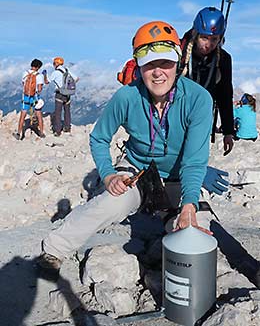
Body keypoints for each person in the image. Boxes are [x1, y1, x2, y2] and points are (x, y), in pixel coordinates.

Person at [37, 21, 213, 276]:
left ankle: (170, 223)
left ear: (178, 63)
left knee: (198, 227)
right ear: (139, 67)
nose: (158, 72)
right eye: (149, 64)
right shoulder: (127, 97)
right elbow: (99, 138)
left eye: (165, 63)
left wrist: (189, 205)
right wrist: (109, 175)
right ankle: (55, 248)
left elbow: (194, 162)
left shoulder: (197, 100)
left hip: (177, 178)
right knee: (111, 204)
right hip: (138, 172)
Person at [180, 6, 234, 156]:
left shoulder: (223, 59)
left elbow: (225, 95)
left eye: (214, 39)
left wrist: (228, 132)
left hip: (202, 118)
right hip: (176, 115)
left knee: (195, 158)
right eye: (204, 38)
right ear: (195, 34)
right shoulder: (180, 53)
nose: (208, 44)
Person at [42, 57, 79, 136]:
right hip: (68, 93)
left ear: (56, 64)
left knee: (58, 113)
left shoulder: (55, 73)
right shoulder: (67, 70)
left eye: (54, 63)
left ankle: (58, 131)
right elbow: (77, 79)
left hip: (59, 94)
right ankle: (67, 128)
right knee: (67, 111)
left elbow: (46, 82)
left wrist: (45, 75)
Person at [13, 59, 45, 140]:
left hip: (25, 97)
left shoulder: (25, 73)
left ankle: (19, 133)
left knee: (23, 115)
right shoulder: (39, 76)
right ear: (38, 67)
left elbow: (23, 84)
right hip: (35, 97)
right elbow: (40, 89)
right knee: (39, 115)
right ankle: (41, 133)